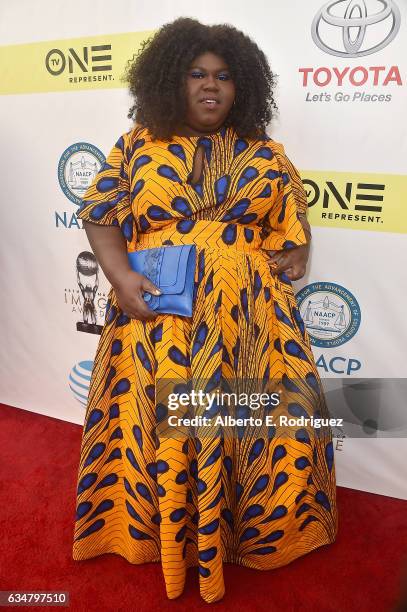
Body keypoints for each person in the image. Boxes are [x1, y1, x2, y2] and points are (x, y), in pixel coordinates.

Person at [72, 17, 338, 604]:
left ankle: (251, 535)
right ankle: (168, 538)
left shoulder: (266, 153)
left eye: (222, 76)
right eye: (196, 73)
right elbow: (100, 212)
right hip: (162, 314)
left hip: (252, 320)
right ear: (172, 80)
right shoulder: (140, 143)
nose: (210, 86)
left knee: (257, 430)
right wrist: (120, 278)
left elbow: (292, 225)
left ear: (241, 85)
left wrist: (293, 255)